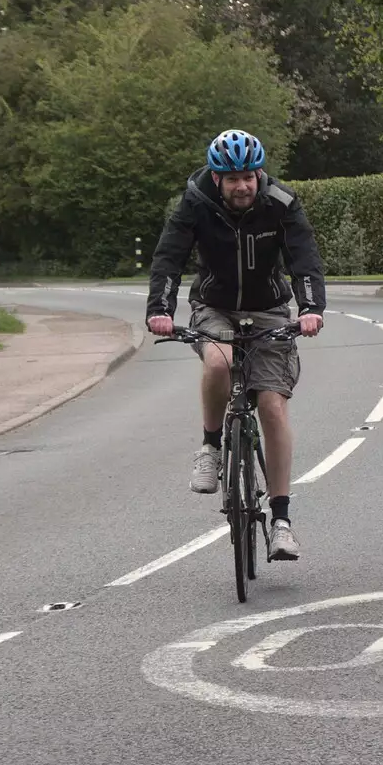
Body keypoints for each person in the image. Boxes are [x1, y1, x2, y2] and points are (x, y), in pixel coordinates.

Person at [146, 129, 327, 561]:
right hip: (214, 306)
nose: (242, 186)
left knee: (271, 406)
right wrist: (160, 308)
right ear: (216, 179)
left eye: (248, 176)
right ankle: (210, 447)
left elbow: (304, 258)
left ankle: (281, 521)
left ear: (258, 173)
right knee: (218, 362)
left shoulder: (281, 203)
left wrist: (310, 308)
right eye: (232, 179)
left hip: (269, 311)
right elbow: (168, 257)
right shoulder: (194, 204)